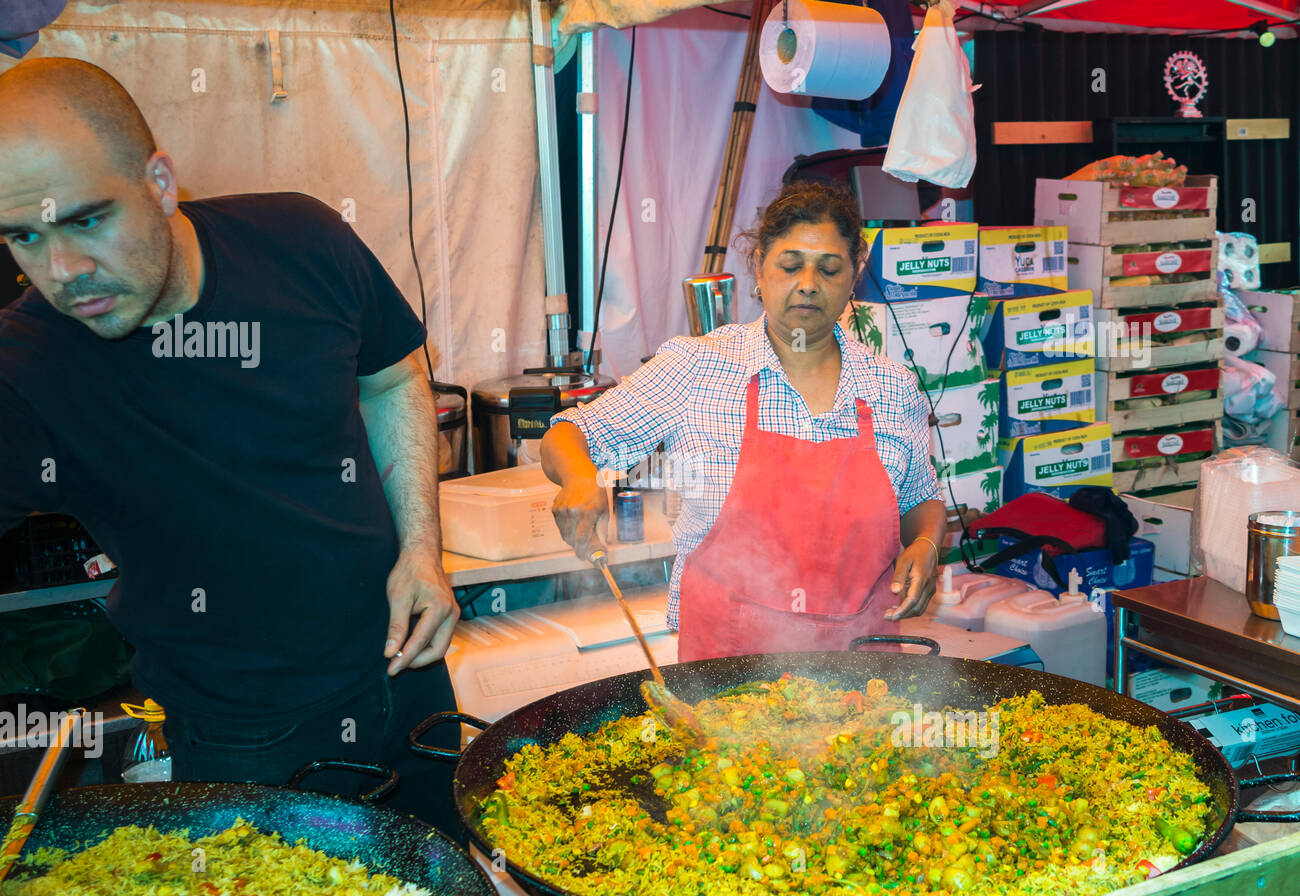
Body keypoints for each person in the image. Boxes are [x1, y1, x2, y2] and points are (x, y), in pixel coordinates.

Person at [0, 58, 462, 831]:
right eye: (22, 236)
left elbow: (391, 378)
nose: (63, 271)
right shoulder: (26, 368)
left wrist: (422, 548)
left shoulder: (302, 239)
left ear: (159, 180)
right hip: (243, 734)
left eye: (87, 220)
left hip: (409, 675)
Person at [542, 181, 946, 662]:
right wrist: (579, 477)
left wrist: (926, 543)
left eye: (830, 268)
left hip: (863, 676)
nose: (809, 283)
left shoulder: (892, 386)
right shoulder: (696, 368)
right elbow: (569, 434)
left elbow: (921, 499)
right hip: (727, 684)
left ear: (854, 273)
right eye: (790, 265)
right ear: (758, 267)